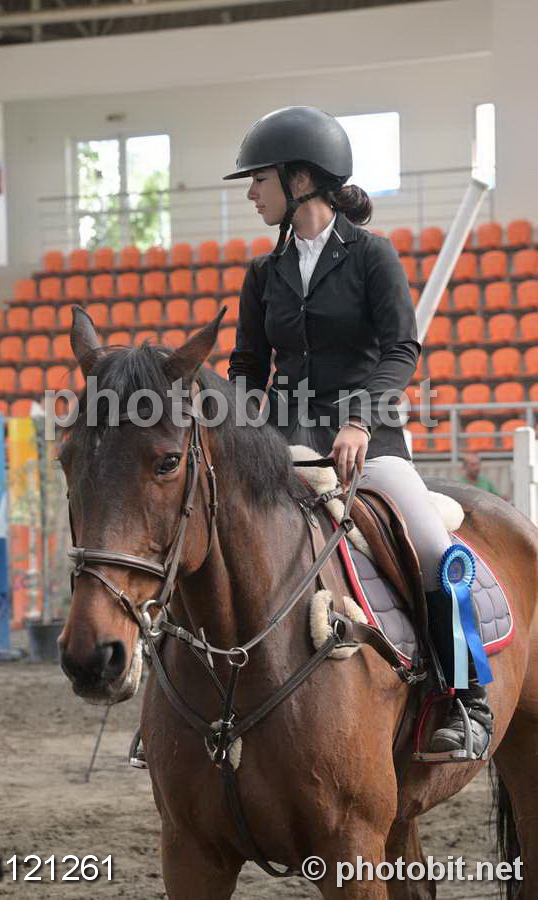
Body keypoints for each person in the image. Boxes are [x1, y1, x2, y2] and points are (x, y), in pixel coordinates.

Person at [224, 105, 493, 759]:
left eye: (258, 179)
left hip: (367, 437)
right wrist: (240, 421)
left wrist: (357, 421)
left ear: (299, 180)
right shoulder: (262, 273)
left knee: (432, 548)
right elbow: (248, 365)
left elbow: (401, 350)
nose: (251, 193)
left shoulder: (372, 255)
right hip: (282, 440)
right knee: (213, 532)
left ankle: (464, 698)